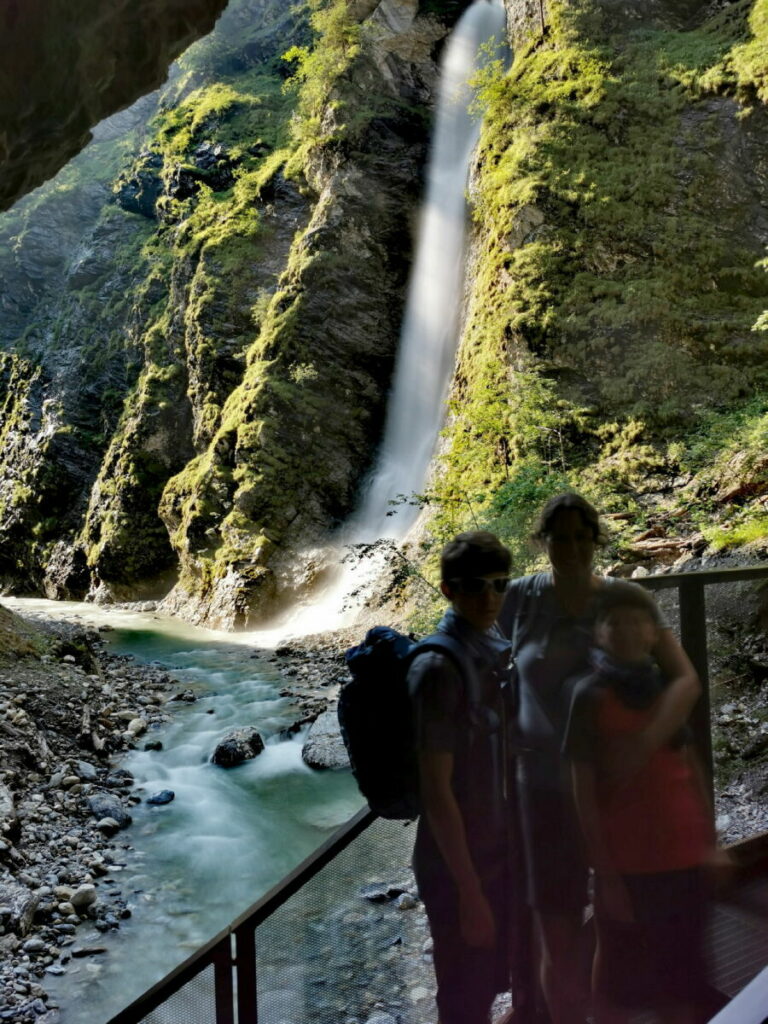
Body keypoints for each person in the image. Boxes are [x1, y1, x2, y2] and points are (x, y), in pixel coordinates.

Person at [497, 493, 700, 1024]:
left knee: (622, 921)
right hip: (540, 788)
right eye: (559, 538)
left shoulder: (623, 598)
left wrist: (645, 741)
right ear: (543, 542)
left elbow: (684, 678)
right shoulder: (518, 598)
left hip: (615, 788)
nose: (571, 548)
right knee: (557, 930)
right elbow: (482, 660)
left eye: (581, 536)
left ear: (595, 539)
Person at [564, 585, 720, 1023]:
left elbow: (688, 764)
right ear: (597, 633)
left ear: (655, 632)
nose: (627, 631)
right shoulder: (589, 697)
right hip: (629, 868)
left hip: (684, 859)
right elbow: (583, 790)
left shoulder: (664, 689)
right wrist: (605, 874)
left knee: (683, 978)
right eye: (614, 622)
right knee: (620, 987)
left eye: (637, 621)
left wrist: (710, 842)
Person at [408, 530, 515, 1024]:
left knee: (493, 976)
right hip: (458, 867)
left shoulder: (489, 647)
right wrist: (470, 892)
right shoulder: (438, 668)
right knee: (464, 995)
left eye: (499, 584)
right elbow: (437, 794)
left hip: (497, 850)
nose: (489, 597)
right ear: (449, 590)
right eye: (475, 586)